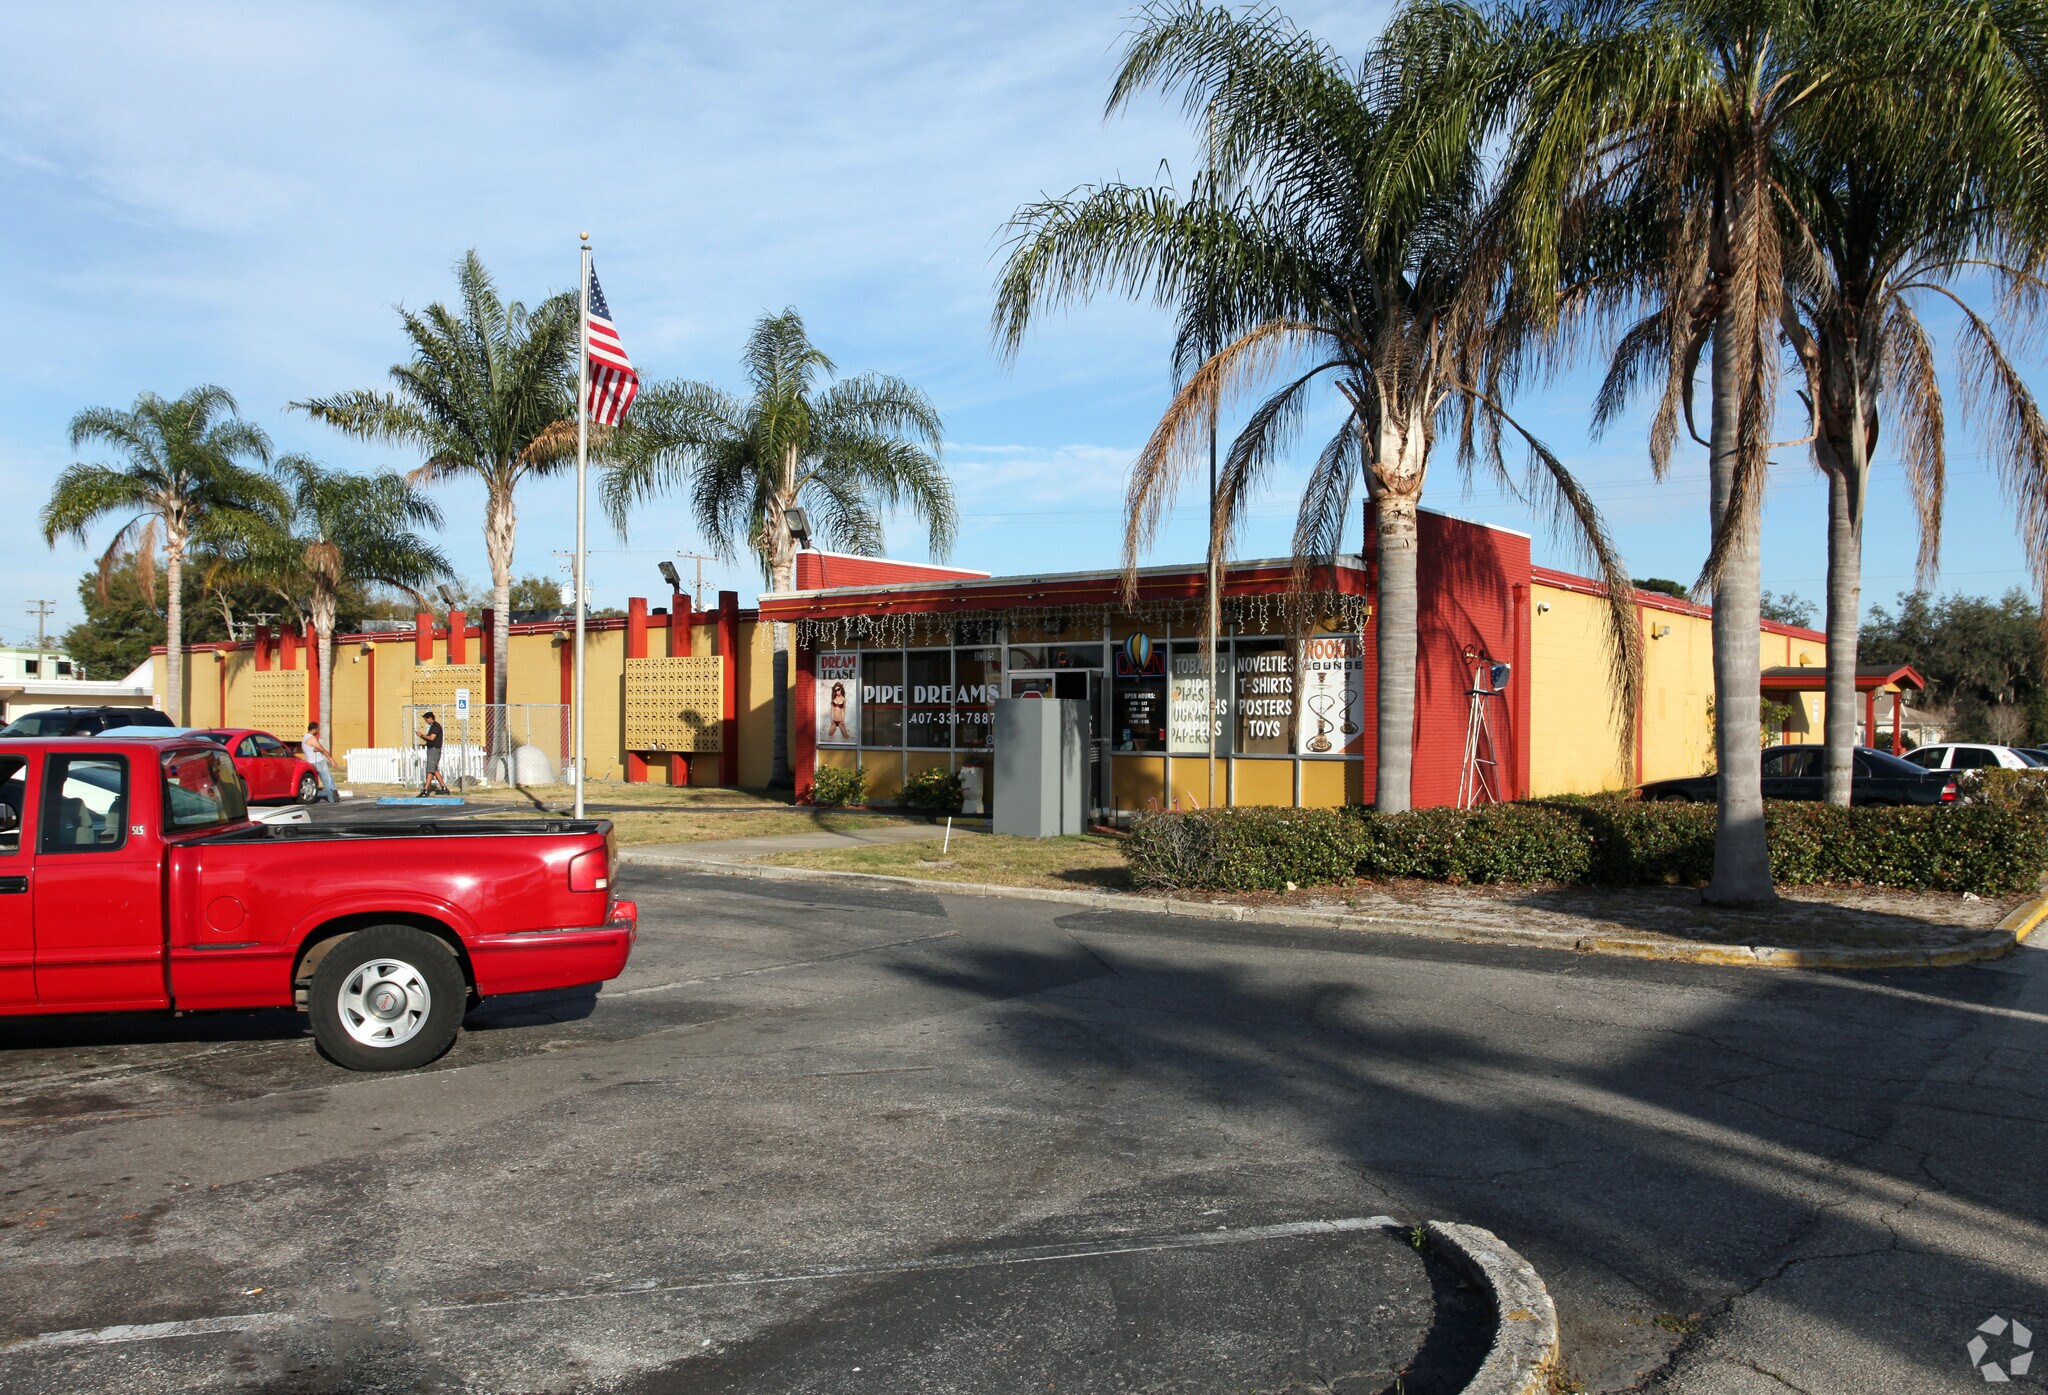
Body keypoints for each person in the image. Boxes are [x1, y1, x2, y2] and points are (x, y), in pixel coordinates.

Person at [302, 722, 339, 803]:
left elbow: (314, 749)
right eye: (317, 729)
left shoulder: (304, 738)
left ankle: (334, 793)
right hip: (318, 761)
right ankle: (332, 798)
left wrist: (317, 749)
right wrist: (331, 760)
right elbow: (322, 749)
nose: (318, 731)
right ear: (314, 729)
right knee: (327, 780)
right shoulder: (311, 739)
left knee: (329, 778)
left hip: (310, 761)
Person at [417, 711, 448, 796]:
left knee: (430, 770)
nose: (426, 721)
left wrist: (421, 735)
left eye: (426, 720)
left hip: (434, 750)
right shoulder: (432, 727)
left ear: (430, 718)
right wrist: (422, 736)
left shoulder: (436, 726)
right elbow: (429, 738)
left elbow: (431, 738)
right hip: (431, 749)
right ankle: (444, 788)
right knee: (434, 769)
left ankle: (425, 790)